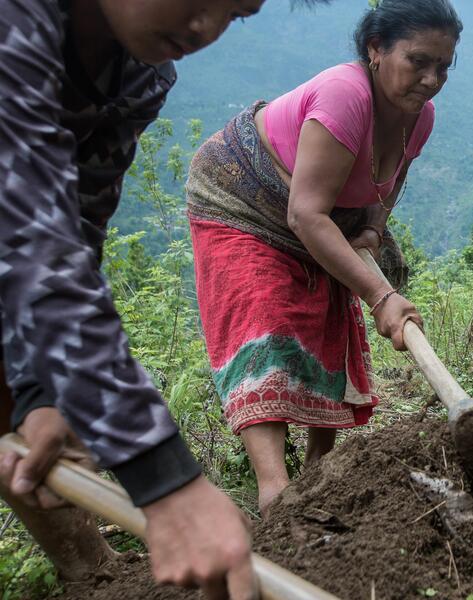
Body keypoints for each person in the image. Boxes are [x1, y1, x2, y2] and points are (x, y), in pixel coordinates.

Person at [0, 1, 336, 597]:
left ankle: (89, 573)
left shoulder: (141, 73)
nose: (205, 27)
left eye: (236, 12)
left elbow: (79, 221)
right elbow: (30, 241)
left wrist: (40, 390)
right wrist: (166, 482)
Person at [185, 0, 461, 515]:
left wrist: (374, 231)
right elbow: (307, 217)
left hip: (322, 209)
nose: (431, 78)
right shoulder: (344, 95)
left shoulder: (418, 116)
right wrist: (382, 297)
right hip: (242, 196)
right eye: (418, 61)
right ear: (375, 50)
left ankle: (320, 472)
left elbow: (391, 178)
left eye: (443, 66)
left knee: (329, 317)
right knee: (266, 315)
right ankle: (275, 492)